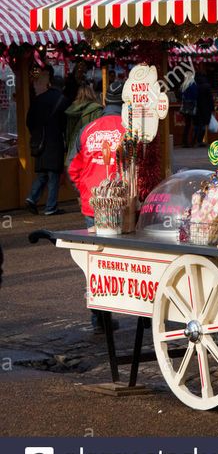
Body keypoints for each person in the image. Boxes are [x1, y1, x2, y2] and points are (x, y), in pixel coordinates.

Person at [68, 81, 125, 334]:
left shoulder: (87, 129)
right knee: (133, 259)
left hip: (92, 206)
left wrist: (86, 189)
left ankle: (99, 317)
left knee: (96, 261)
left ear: (105, 101)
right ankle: (143, 314)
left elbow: (73, 166)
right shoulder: (130, 128)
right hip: (124, 204)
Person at [26, 67, 68, 216]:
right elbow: (65, 124)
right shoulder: (63, 100)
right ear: (62, 87)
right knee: (54, 175)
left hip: (40, 142)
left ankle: (32, 198)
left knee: (42, 173)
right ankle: (50, 207)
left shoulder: (39, 99)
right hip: (55, 142)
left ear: (50, 84)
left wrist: (37, 134)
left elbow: (29, 121)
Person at [65, 84, 103, 162]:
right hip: (89, 148)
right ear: (92, 93)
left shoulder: (72, 109)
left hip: (73, 148)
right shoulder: (97, 109)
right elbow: (99, 131)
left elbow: (68, 133)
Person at [194, 71, 214, 147]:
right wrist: (212, 109)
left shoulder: (195, 85)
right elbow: (210, 99)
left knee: (198, 125)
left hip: (197, 108)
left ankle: (196, 140)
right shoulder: (207, 86)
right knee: (203, 125)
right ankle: (200, 140)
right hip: (206, 108)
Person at [180, 72, 198, 147]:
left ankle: (185, 141)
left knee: (187, 125)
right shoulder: (193, 85)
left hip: (185, 108)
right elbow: (196, 96)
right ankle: (193, 141)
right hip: (192, 107)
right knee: (194, 124)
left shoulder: (184, 86)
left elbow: (181, 95)